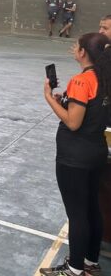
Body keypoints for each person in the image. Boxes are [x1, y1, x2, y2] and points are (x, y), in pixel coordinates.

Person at [40, 32, 110, 276]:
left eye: (77, 46)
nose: (74, 48)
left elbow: (73, 122)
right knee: (92, 208)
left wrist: (50, 98)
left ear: (83, 53)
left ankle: (74, 269)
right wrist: (67, 100)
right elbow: (89, 109)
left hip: (75, 157)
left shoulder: (82, 81)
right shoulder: (105, 78)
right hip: (97, 152)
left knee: (77, 214)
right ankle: (90, 263)